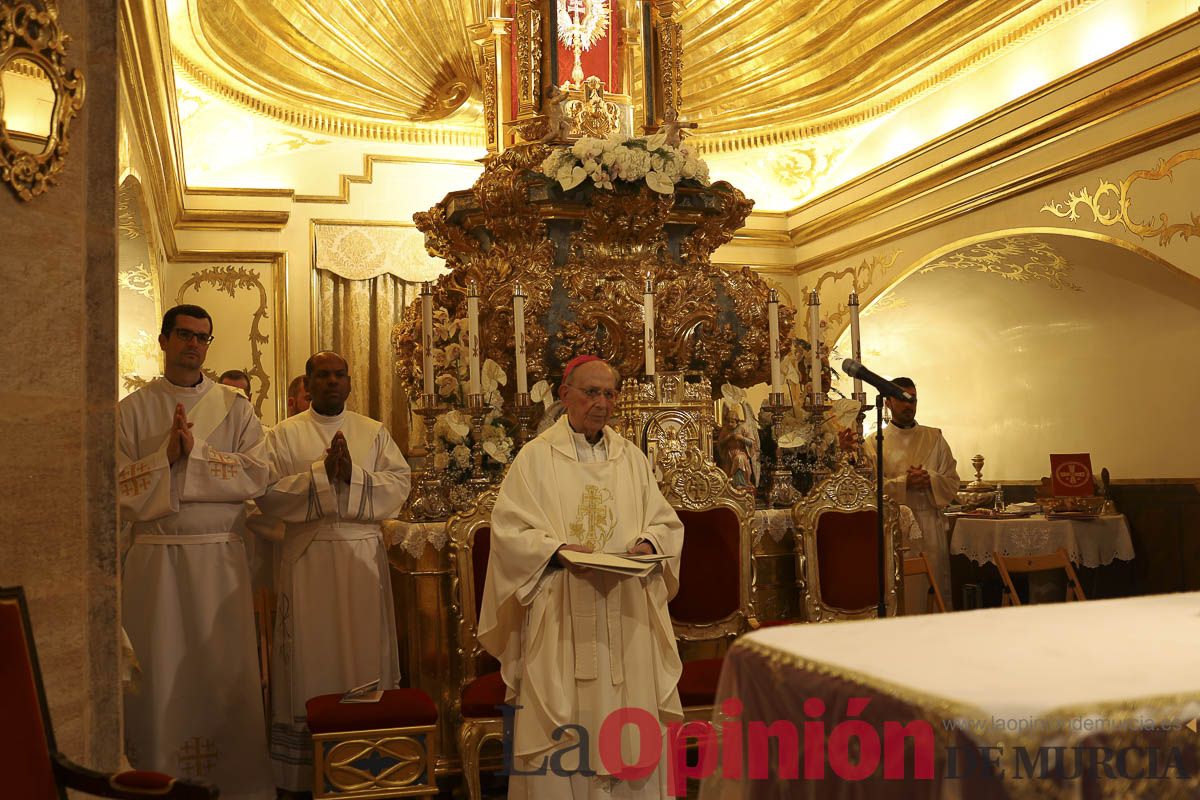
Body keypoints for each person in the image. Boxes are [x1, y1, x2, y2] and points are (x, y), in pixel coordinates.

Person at [478, 355, 685, 798]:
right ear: (564, 395)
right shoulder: (535, 459)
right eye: (591, 392)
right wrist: (556, 550)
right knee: (564, 721)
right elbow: (510, 530)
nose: (602, 403)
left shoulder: (630, 458)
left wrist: (649, 543)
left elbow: (665, 522)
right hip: (562, 610)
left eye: (610, 393)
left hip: (627, 610)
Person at [118, 304, 274, 799]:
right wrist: (163, 457)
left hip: (219, 563)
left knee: (221, 673)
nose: (193, 345)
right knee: (160, 673)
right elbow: (109, 485)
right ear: (163, 340)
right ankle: (154, 780)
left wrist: (197, 454)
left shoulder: (235, 407)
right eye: (184, 335)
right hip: (155, 564)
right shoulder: (132, 409)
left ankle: (237, 785)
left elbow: (258, 473)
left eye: (202, 338)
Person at [257, 351, 412, 794]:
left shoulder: (372, 431)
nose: (332, 382)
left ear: (350, 382)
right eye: (322, 375)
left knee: (365, 650)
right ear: (307, 383)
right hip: (308, 560)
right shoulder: (284, 435)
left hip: (361, 556)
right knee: (310, 653)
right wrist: (321, 476)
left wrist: (355, 475)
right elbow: (265, 493)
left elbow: (399, 484)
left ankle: (370, 759)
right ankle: (305, 773)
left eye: (339, 375)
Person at [856, 377, 959, 612]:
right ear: (888, 402)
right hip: (894, 528)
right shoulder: (874, 442)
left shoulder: (935, 438)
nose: (908, 405)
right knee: (901, 595)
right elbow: (870, 488)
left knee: (933, 593)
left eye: (913, 400)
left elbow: (953, 482)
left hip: (930, 526)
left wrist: (931, 480)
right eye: (902, 400)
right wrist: (905, 484)